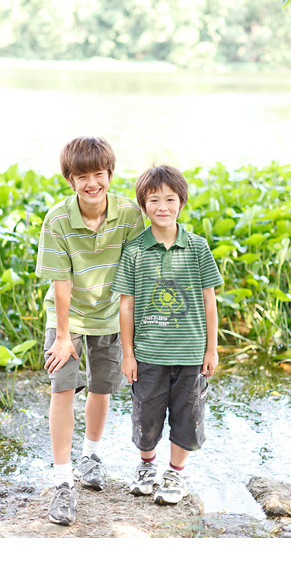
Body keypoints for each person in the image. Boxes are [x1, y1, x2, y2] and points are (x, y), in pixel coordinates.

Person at [35, 136, 145, 525]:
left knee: (102, 387)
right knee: (62, 388)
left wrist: (130, 337)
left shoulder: (131, 215)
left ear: (110, 175)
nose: (92, 183)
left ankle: (91, 456)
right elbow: (60, 283)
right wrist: (64, 336)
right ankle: (63, 482)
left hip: (112, 318)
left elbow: (133, 278)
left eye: (99, 174)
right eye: (82, 176)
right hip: (68, 318)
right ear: (70, 180)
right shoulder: (58, 219)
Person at [111, 164, 222, 505]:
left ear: (181, 202)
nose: (162, 206)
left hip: (190, 353)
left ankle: (175, 473)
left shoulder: (198, 247)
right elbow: (126, 306)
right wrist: (127, 354)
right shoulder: (134, 250)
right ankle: (146, 466)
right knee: (146, 415)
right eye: (153, 199)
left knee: (188, 416)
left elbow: (209, 300)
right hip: (148, 354)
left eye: (170, 199)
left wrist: (211, 349)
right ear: (143, 205)